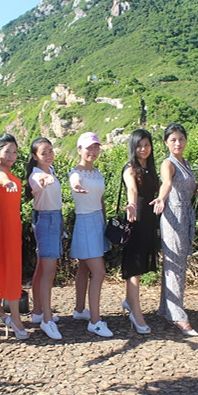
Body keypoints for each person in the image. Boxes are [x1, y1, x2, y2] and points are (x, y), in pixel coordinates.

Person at [151, 123, 198, 337]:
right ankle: (178, 315)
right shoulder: (168, 163)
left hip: (186, 215)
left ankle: (166, 308)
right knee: (175, 266)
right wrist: (161, 198)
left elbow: (188, 187)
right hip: (173, 215)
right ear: (166, 143)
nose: (178, 143)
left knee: (176, 264)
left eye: (181, 139)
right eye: (173, 140)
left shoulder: (185, 163)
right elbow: (167, 184)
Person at [69, 132, 112, 337]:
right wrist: (77, 187)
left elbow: (100, 200)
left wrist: (104, 223)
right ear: (79, 149)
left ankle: (80, 310)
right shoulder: (75, 173)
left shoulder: (97, 172)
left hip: (97, 222)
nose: (93, 151)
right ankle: (95, 322)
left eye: (96, 147)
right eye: (88, 147)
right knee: (99, 272)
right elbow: (75, 182)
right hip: (85, 222)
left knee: (84, 268)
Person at [0, 133, 28, 340]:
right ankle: (16, 320)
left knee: (4, 266)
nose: (12, 155)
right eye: (7, 151)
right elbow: (1, 178)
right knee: (11, 268)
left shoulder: (6, 171)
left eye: (14, 152)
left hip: (11, 225)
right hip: (5, 226)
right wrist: (6, 183)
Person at [120, 129, 159, 335]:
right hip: (136, 219)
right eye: (139, 146)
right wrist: (132, 205)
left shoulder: (150, 168)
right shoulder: (130, 168)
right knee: (134, 268)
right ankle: (136, 314)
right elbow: (132, 189)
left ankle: (129, 301)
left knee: (140, 266)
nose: (143, 149)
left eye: (146, 145)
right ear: (133, 147)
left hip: (149, 221)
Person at [25, 137, 64, 340]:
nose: (48, 155)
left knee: (42, 268)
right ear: (35, 156)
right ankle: (47, 320)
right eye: (43, 153)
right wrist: (44, 181)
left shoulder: (51, 170)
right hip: (46, 220)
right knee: (49, 272)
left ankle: (38, 312)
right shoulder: (36, 175)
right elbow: (38, 183)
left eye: (50, 151)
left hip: (54, 218)